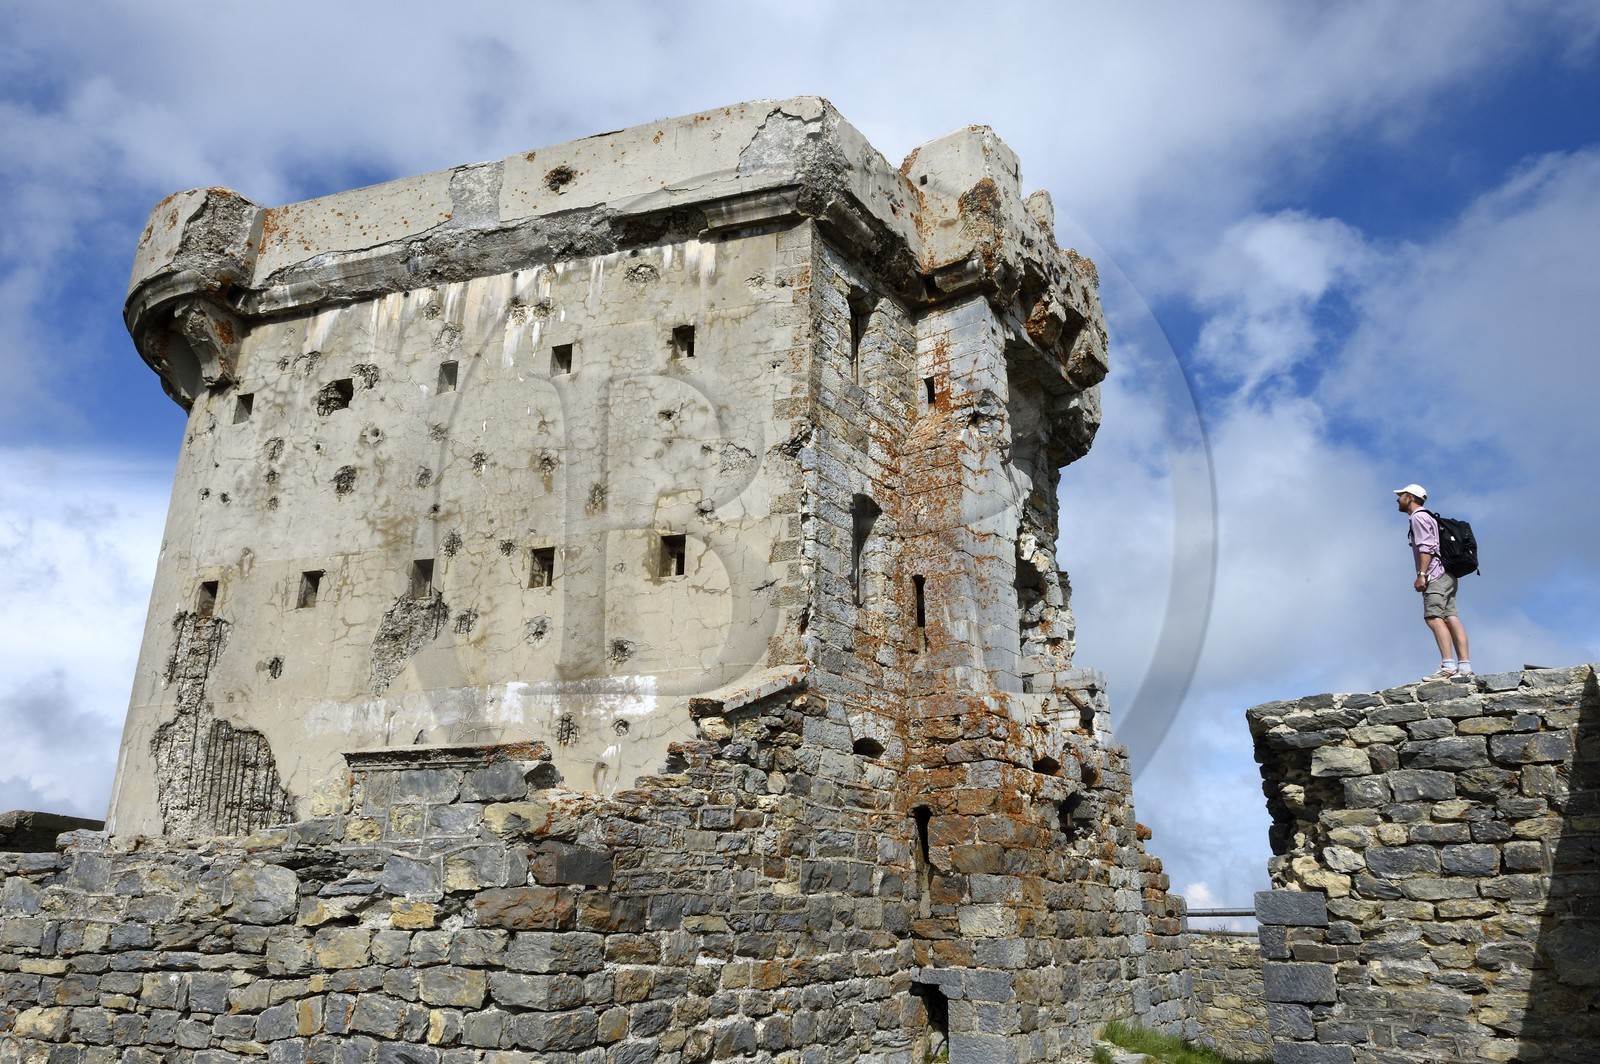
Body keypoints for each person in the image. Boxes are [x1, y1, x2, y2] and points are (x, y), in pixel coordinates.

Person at [1394, 484, 1471, 682]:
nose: (1397, 499)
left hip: (1435, 574)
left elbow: (1426, 547)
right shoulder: (1428, 516)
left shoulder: (1419, 517)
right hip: (1448, 574)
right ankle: (1464, 667)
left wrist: (1422, 574)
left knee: (1433, 617)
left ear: (1410, 497)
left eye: (1400, 495)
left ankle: (1448, 666)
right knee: (1451, 617)